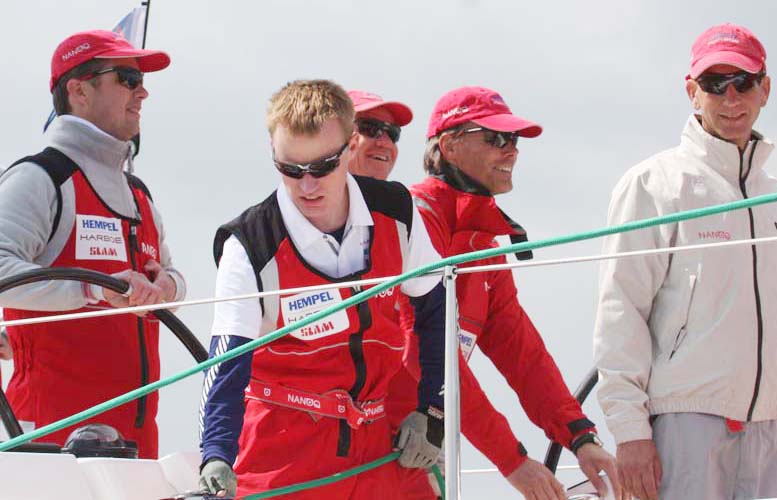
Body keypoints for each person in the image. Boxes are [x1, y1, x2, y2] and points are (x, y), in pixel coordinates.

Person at [198, 80, 446, 499]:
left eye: (322, 167)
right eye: (290, 170)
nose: (306, 185)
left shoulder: (397, 211)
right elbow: (226, 362)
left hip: (378, 447)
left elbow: (436, 311)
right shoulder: (250, 245)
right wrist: (215, 454)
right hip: (282, 454)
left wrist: (432, 411)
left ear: (350, 147)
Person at [406, 86, 622, 500]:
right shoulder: (415, 222)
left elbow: (520, 352)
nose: (511, 152)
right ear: (449, 146)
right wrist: (512, 459)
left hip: (422, 442)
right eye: (496, 139)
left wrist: (581, 437)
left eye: (514, 141)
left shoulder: (483, 241)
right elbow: (420, 353)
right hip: (373, 441)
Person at [594, 23, 774, 500]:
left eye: (743, 82)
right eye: (715, 84)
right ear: (693, 92)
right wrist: (630, 431)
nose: (731, 97)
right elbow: (621, 312)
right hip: (685, 422)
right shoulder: (654, 184)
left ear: (765, 89)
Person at [0, 30, 185, 458]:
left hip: (135, 437)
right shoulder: (41, 178)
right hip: (52, 434)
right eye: (126, 77)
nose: (142, 92)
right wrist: (94, 288)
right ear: (78, 90)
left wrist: (167, 287)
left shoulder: (139, 194)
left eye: (140, 79)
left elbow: (174, 279)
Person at [345, 90, 413, 180]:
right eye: (370, 128)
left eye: (393, 132)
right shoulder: (321, 191)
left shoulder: (397, 193)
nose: (386, 143)